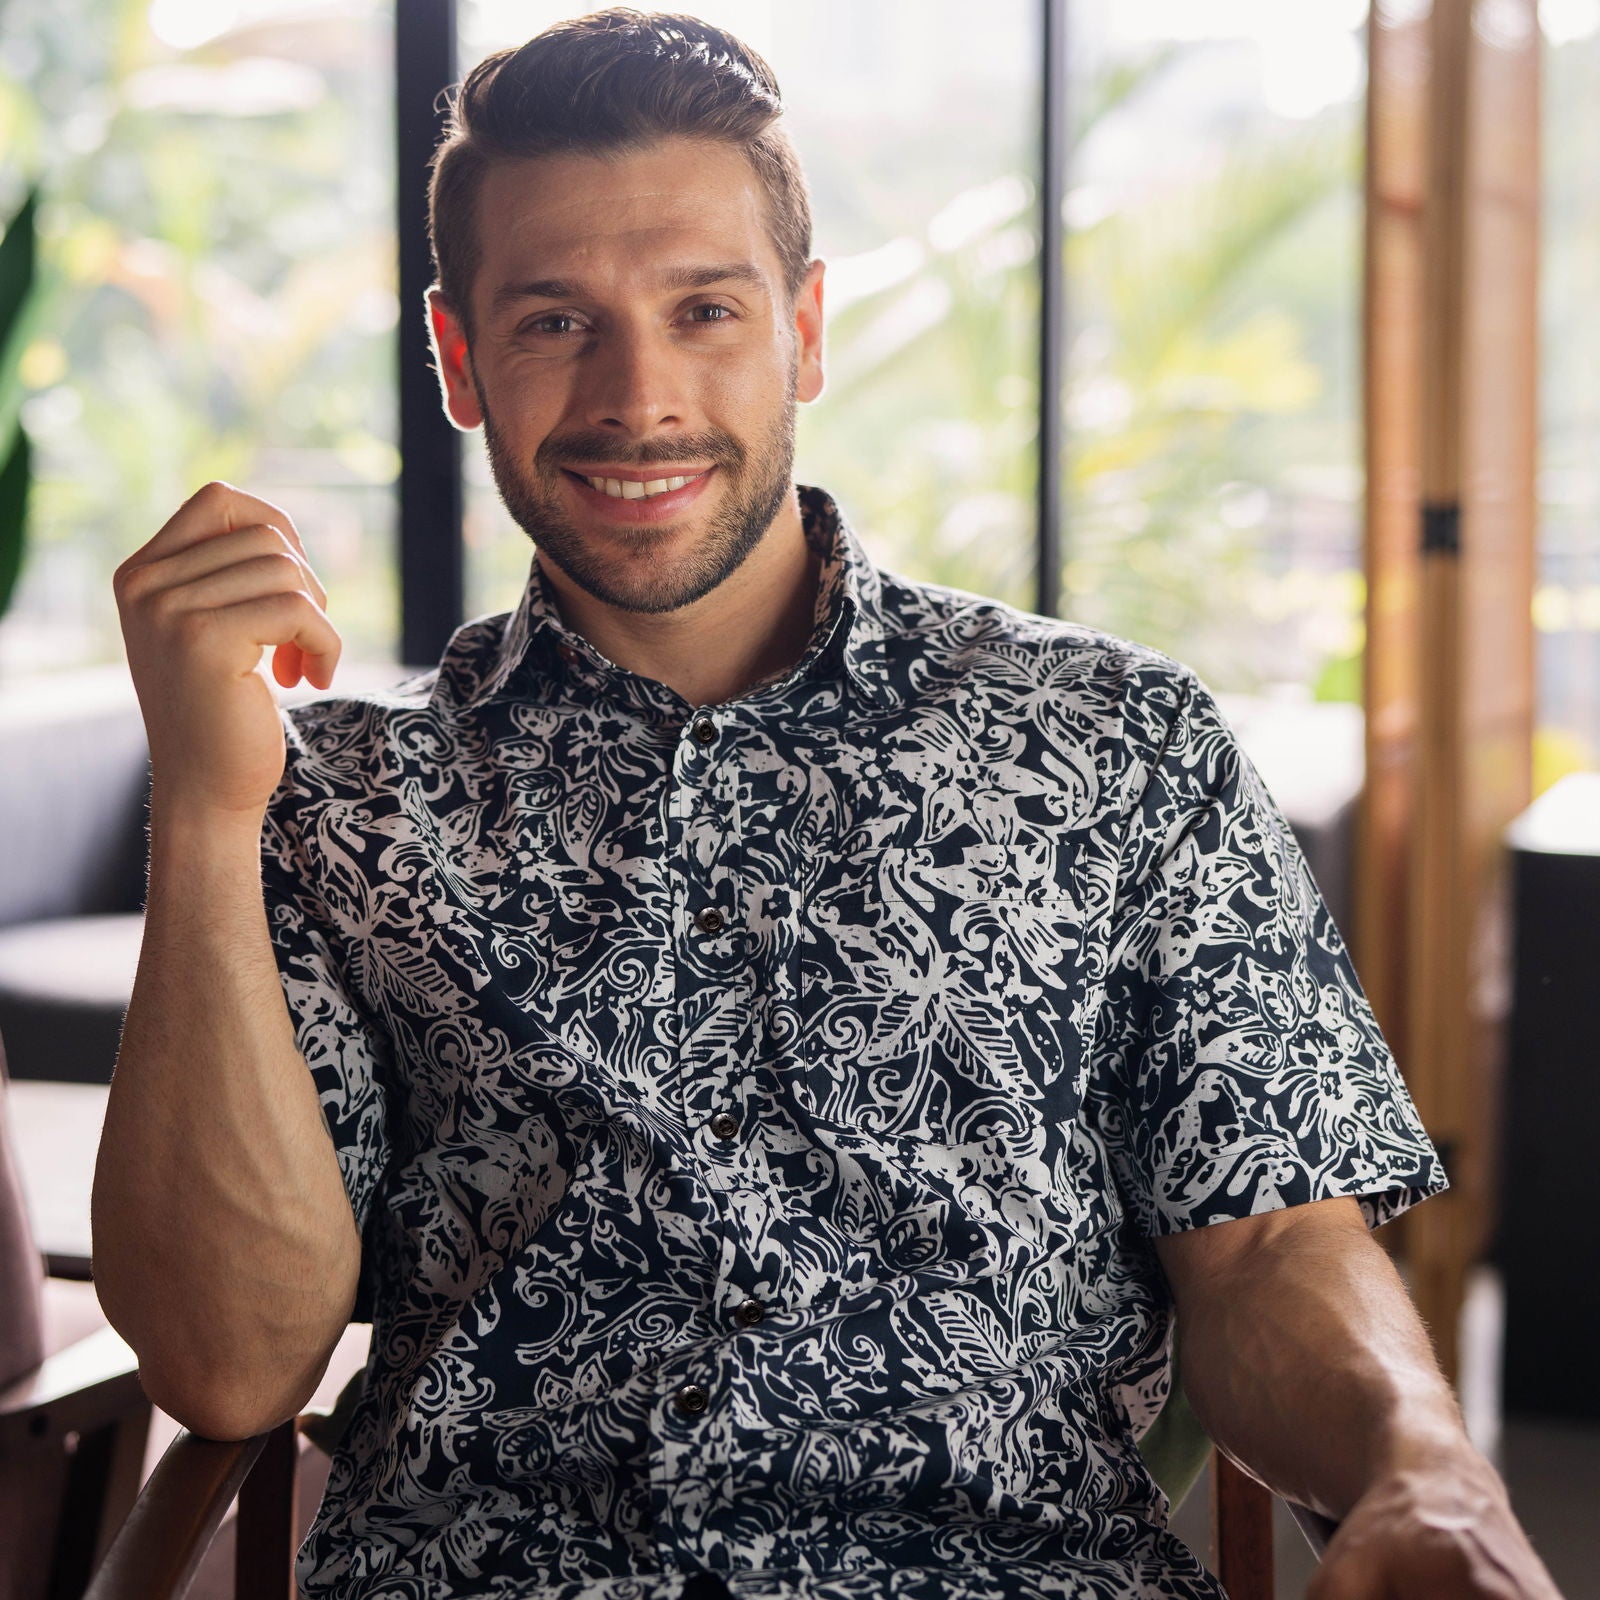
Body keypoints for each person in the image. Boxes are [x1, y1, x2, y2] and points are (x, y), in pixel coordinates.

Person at [94, 10, 1563, 1600]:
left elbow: (1271, 1243)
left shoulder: (1122, 743)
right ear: (459, 360)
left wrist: (1424, 1470)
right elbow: (229, 1371)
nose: (635, 395)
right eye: (553, 322)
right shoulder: (348, 806)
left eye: (703, 309)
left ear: (802, 329)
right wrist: (207, 806)